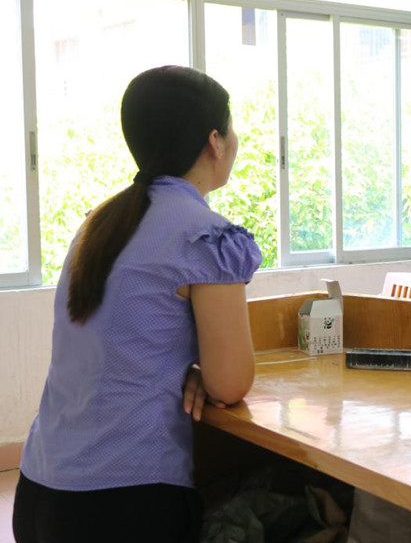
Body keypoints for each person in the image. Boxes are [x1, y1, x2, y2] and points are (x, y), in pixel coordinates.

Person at [14, 66, 262, 542]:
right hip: (124, 501)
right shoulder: (206, 236)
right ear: (214, 142)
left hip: (41, 491)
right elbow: (230, 383)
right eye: (231, 128)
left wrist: (188, 368)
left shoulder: (99, 224)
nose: (235, 140)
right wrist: (203, 373)